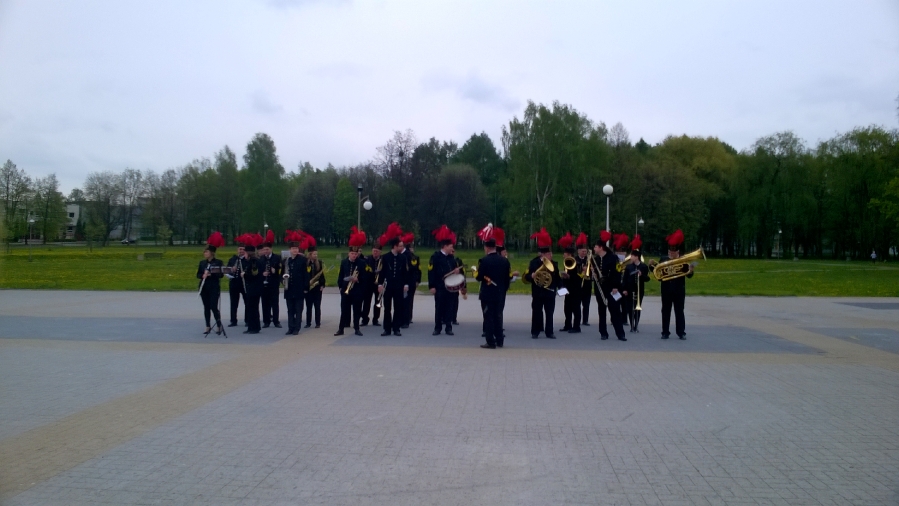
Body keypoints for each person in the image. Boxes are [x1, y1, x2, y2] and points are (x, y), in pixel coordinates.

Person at [475, 225, 511, 348]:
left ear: (486, 247)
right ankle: (500, 340)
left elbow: (480, 277)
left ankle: (490, 341)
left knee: (488, 317)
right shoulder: (504, 261)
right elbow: (507, 278)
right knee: (498, 316)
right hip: (500, 293)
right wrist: (503, 290)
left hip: (487, 294)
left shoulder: (484, 261)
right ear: (495, 247)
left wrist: (476, 274)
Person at [524, 228, 562, 339]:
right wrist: (531, 276)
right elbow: (526, 276)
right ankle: (535, 331)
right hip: (538, 292)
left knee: (549, 313)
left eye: (550, 254)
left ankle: (549, 332)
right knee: (536, 312)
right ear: (543, 254)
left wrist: (562, 288)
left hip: (550, 292)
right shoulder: (534, 263)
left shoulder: (554, 264)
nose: (551, 255)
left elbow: (557, 278)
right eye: (549, 254)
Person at [592, 230, 627, 341]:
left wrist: (615, 286)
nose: (594, 249)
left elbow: (617, 273)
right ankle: (603, 333)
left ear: (601, 248)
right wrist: (593, 274)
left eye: (595, 247)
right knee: (601, 311)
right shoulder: (596, 259)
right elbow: (594, 274)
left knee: (615, 310)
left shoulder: (613, 258)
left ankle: (620, 334)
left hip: (612, 288)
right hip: (600, 288)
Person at [658, 229, 693, 340]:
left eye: (673, 252)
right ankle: (665, 332)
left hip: (679, 290)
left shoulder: (683, 260)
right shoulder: (663, 259)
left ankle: (681, 332)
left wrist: (690, 270)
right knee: (665, 311)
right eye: (670, 252)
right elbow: (658, 274)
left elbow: (689, 275)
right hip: (666, 290)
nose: (671, 254)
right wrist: (651, 266)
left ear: (677, 252)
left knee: (679, 312)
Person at [335, 226, 367, 336]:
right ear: (349, 253)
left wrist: (357, 279)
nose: (354, 255)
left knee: (357, 310)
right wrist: (340, 287)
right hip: (345, 290)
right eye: (352, 254)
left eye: (356, 254)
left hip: (357, 290)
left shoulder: (361, 263)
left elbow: (365, 277)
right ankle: (341, 329)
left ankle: (357, 328)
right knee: (344, 310)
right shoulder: (344, 262)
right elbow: (341, 275)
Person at [429, 225, 460, 336]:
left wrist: (456, 271)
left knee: (449, 307)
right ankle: (437, 328)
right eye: (451, 246)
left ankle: (448, 327)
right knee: (439, 307)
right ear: (445, 246)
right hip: (439, 286)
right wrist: (432, 286)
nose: (452, 249)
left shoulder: (451, 258)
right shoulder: (436, 257)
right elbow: (431, 272)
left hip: (450, 286)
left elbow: (454, 269)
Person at [377, 235, 412, 336]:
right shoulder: (385, 257)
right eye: (400, 246)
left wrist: (406, 284)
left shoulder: (403, 257)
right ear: (395, 246)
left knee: (398, 308)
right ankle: (387, 329)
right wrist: (380, 284)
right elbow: (381, 272)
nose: (402, 248)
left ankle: (396, 328)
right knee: (387, 308)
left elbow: (406, 272)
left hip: (399, 286)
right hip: (388, 286)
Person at [198, 231, 225, 335]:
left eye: (206, 252)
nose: (205, 253)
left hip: (213, 287)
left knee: (214, 306)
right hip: (204, 287)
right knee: (206, 307)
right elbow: (198, 274)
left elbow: (221, 274)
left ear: (212, 253)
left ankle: (218, 325)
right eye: (204, 252)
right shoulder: (202, 263)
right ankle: (207, 325)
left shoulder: (218, 262)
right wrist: (202, 275)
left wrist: (211, 274)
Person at [282, 231, 309, 336]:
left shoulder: (302, 260)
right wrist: (283, 280)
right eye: (293, 248)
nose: (295, 250)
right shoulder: (286, 261)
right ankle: (290, 327)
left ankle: (297, 328)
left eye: (296, 248)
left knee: (298, 310)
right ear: (290, 250)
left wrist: (306, 287)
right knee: (290, 310)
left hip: (299, 289)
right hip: (289, 288)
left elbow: (305, 275)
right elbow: (282, 273)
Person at [238, 233, 265, 335]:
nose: (244, 254)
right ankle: (251, 326)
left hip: (254, 288)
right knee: (250, 308)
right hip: (251, 288)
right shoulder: (250, 262)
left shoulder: (254, 262)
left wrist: (244, 274)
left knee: (253, 308)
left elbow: (254, 274)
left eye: (245, 253)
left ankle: (254, 327)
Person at [622, 235, 650, 333]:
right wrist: (624, 289)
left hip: (639, 290)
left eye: (632, 256)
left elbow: (647, 279)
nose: (631, 257)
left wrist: (641, 275)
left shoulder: (643, 267)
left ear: (637, 257)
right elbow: (625, 279)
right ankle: (631, 325)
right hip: (629, 290)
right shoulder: (629, 267)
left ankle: (636, 325)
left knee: (637, 308)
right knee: (630, 308)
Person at [557, 232, 581, 334]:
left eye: (565, 254)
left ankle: (576, 326)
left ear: (569, 254)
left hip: (575, 289)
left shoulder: (577, 263)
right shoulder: (566, 262)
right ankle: (567, 325)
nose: (563, 255)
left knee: (576, 308)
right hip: (568, 288)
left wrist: (569, 276)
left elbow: (579, 277)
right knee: (567, 308)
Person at [259, 230, 282, 329]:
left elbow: (281, 269)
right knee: (265, 303)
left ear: (271, 249)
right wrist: (262, 273)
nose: (266, 251)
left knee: (275, 303)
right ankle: (266, 321)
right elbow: (258, 271)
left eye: (267, 249)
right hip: (264, 284)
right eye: (264, 250)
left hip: (273, 283)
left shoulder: (277, 258)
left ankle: (276, 321)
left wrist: (275, 271)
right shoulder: (261, 259)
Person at [361, 240, 384, 327]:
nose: (375, 252)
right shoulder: (367, 259)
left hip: (379, 284)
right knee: (366, 302)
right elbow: (364, 272)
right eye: (374, 251)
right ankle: (365, 319)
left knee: (378, 302)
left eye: (377, 251)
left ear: (380, 252)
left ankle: (375, 319)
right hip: (368, 283)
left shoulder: (383, 260)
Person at [401, 232, 421, 328]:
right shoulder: (401, 255)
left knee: (408, 301)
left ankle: (407, 319)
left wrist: (417, 280)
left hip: (410, 281)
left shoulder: (411, 256)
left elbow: (416, 270)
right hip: (401, 282)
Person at [304, 237, 325, 328]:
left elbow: (322, 275)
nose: (316, 255)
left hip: (317, 287)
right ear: (310, 254)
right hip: (308, 287)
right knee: (308, 306)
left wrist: (322, 285)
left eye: (316, 254)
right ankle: (308, 323)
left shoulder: (319, 262)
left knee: (317, 306)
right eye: (314, 254)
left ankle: (318, 323)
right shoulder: (305, 263)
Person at [225, 243, 245, 327]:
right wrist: (231, 270)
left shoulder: (247, 259)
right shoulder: (233, 259)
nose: (241, 251)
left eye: (243, 249)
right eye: (240, 249)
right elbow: (227, 270)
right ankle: (233, 320)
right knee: (233, 303)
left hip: (243, 283)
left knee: (247, 302)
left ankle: (247, 320)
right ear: (237, 250)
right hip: (234, 283)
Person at [575, 233, 592, 327]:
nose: (584, 253)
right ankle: (577, 320)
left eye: (585, 251)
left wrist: (590, 270)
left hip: (587, 284)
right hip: (578, 285)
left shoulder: (589, 260)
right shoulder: (575, 259)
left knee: (586, 304)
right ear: (578, 251)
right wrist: (581, 270)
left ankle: (585, 320)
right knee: (577, 304)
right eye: (582, 251)